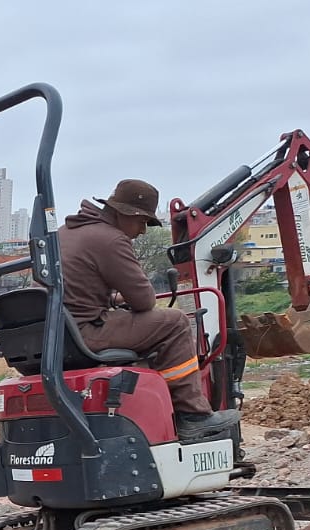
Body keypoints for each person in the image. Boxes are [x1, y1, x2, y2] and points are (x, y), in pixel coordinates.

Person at [58, 179, 241, 444]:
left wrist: (112, 298)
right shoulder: (110, 239)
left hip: (60, 332)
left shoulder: (65, 233)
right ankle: (192, 415)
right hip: (85, 332)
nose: (143, 231)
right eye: (142, 221)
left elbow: (75, 289)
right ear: (123, 213)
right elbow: (144, 301)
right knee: (175, 322)